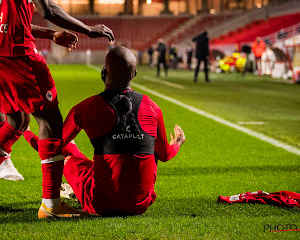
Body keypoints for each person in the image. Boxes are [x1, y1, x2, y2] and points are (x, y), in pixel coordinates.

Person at [24, 46, 186, 217]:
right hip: (140, 205)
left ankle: (74, 190)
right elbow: (165, 154)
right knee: (140, 150)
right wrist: (177, 144)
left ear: (103, 72)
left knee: (67, 151)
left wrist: (26, 132)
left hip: (101, 204)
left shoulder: (87, 108)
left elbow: (51, 148)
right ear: (134, 74)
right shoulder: (153, 108)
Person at [0, 0, 114, 218]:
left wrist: (51, 34)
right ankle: (51, 204)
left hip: (2, 54)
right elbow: (48, 9)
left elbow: (13, 23)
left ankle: (2, 154)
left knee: (18, 119)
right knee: (51, 121)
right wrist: (89, 29)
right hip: (17, 54)